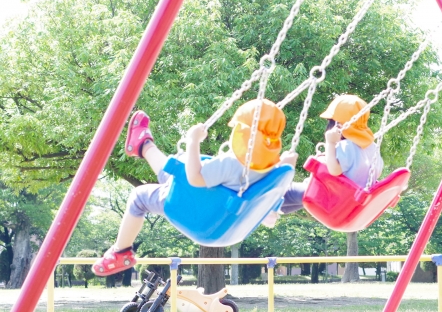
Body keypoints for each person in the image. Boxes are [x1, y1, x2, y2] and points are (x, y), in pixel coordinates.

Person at [92, 99, 296, 277]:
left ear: (242, 134)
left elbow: (195, 178)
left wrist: (193, 141)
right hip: (227, 228)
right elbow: (270, 215)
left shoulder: (232, 164)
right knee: (174, 174)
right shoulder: (271, 171)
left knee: (140, 196)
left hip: (198, 215)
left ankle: (121, 251)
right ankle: (144, 146)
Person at [267, 94, 384, 219]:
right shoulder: (372, 148)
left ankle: (266, 209)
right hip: (349, 202)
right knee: (294, 201)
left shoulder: (346, 146)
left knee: (286, 189)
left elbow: (334, 170)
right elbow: (377, 171)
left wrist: (331, 142)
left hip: (329, 196)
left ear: (338, 125)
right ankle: (272, 211)